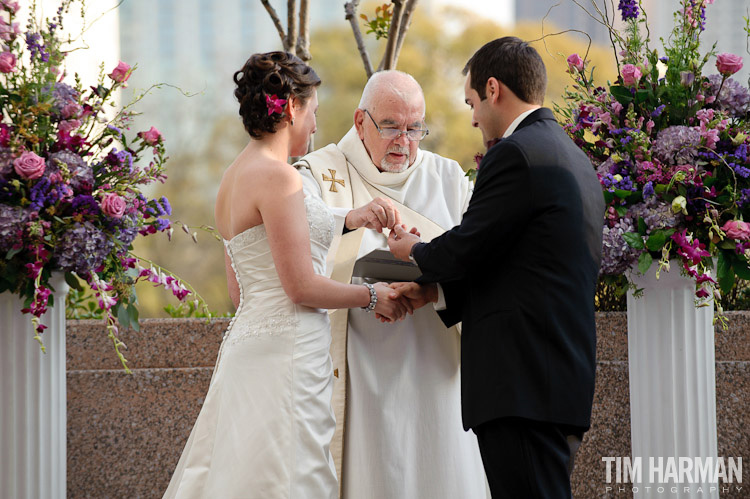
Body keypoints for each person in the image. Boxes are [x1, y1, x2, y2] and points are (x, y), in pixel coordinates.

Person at [163, 51, 407, 499]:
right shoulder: (282, 178)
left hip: (249, 347)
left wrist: (350, 218)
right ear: (292, 107)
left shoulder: (233, 179)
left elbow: (242, 290)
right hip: (291, 352)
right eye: (313, 112)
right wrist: (373, 296)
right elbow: (300, 287)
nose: (315, 126)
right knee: (290, 478)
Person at [387, 37, 606, 498]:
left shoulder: (516, 153)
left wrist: (414, 251)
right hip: (554, 382)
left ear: (493, 88)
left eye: (471, 102)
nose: (471, 118)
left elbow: (470, 244)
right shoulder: (574, 159)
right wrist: (436, 294)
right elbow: (517, 266)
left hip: (521, 386)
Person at [294, 70, 489, 499]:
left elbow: (483, 263)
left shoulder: (449, 179)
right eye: (390, 126)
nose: (404, 140)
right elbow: (298, 262)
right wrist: (369, 290)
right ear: (360, 121)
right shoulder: (317, 174)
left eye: (415, 127)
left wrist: (430, 285)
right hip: (360, 367)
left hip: (436, 368)